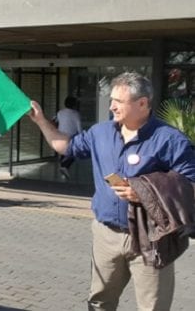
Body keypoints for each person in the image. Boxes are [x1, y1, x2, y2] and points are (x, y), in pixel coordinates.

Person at [26, 72, 195, 310]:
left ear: (143, 103)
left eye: (119, 101)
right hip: (106, 235)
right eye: (112, 99)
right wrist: (41, 121)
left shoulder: (170, 140)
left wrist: (145, 193)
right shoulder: (100, 132)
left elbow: (190, 185)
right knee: (99, 302)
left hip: (151, 238)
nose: (112, 106)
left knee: (153, 307)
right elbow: (67, 146)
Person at [55, 96, 83, 177]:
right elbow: (79, 127)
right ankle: (64, 166)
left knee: (63, 153)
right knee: (74, 153)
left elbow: (57, 121)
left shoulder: (60, 112)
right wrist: (81, 136)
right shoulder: (75, 114)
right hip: (71, 137)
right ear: (74, 104)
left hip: (60, 135)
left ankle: (63, 169)